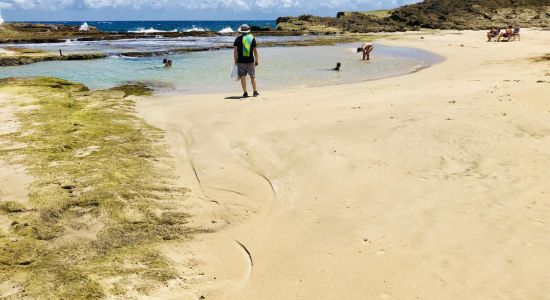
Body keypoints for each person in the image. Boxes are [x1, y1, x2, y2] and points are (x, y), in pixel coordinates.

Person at [234, 24, 259, 98]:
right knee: (253, 76)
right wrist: (257, 60)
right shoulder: (252, 39)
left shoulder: (237, 39)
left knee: (242, 77)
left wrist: (235, 61)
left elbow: (235, 52)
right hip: (250, 61)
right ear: (248, 31)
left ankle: (245, 93)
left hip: (240, 61)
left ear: (241, 31)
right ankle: (254, 92)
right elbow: (255, 51)